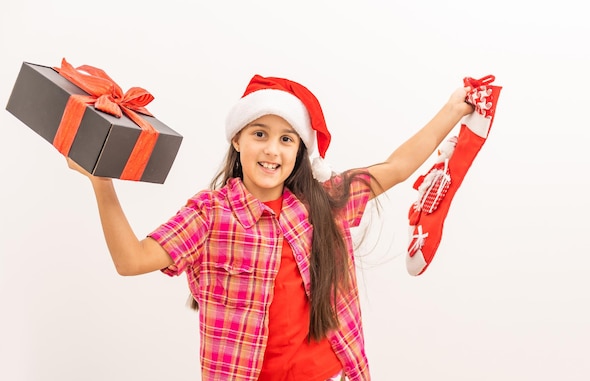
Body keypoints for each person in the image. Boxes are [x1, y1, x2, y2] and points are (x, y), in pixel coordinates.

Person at [67, 74, 474, 381]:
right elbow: (131, 260)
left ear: (299, 153)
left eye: (286, 140)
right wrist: (101, 182)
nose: (271, 149)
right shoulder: (210, 214)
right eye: (259, 134)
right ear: (238, 141)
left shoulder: (324, 203)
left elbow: (397, 168)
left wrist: (455, 109)